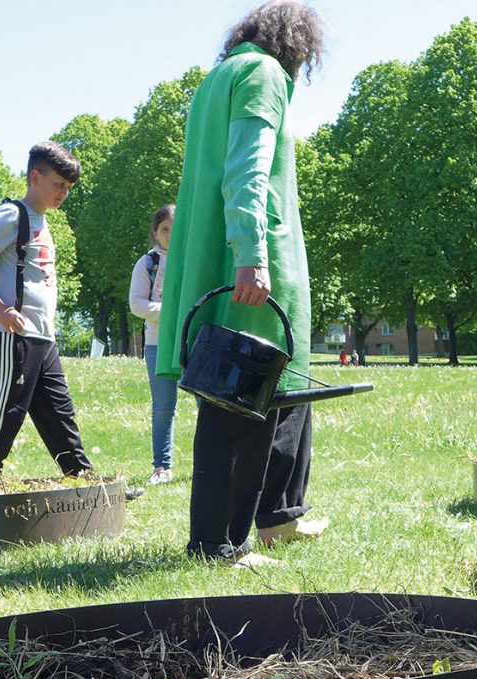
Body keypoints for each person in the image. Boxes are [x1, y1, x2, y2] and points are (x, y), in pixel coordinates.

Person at [156, 0, 327, 567]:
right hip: (248, 262)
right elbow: (247, 171)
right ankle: (219, 544)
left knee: (277, 388)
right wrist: (252, 255)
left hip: (221, 254)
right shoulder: (263, 73)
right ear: (297, 46)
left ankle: (277, 517)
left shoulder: (219, 77)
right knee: (240, 395)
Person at [0, 141, 96, 482]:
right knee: (8, 407)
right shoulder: (11, 215)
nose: (64, 193)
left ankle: (80, 475)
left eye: (68, 187)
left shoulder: (43, 220)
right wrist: (0, 309)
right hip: (12, 333)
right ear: (36, 177)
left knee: (58, 410)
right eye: (58, 184)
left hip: (42, 335)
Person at [130, 205, 178, 485]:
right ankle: (161, 466)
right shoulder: (148, 263)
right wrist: (170, 311)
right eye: (165, 229)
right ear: (155, 232)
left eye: (175, 228)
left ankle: (212, 464)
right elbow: (137, 304)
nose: (170, 234)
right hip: (157, 344)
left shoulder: (194, 260)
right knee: (163, 407)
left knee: (207, 404)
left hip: (194, 343)